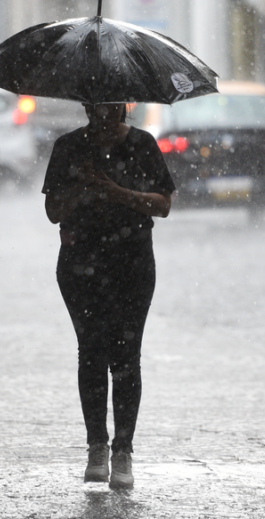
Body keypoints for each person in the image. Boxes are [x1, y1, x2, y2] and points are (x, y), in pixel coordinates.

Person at [41, 102, 175, 489]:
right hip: (80, 263)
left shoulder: (143, 145)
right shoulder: (69, 147)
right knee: (91, 351)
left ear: (126, 105)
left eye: (117, 100)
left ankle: (123, 450)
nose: (108, 109)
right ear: (86, 104)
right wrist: (82, 190)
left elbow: (163, 205)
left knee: (126, 355)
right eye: (100, 101)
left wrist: (117, 192)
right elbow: (52, 211)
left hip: (132, 262)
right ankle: (97, 445)